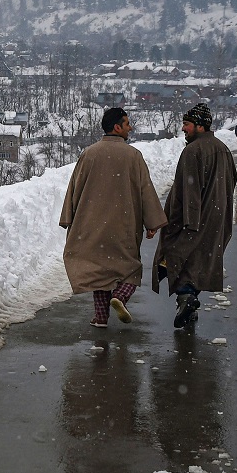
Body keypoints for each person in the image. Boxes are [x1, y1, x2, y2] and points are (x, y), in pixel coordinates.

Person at [60, 107, 167, 328]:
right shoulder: (133, 156)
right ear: (117, 127)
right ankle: (121, 296)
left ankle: (100, 317)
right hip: (124, 224)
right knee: (130, 267)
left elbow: (74, 187)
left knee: (99, 270)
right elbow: (145, 190)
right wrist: (152, 222)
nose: (130, 127)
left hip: (92, 224)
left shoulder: (89, 153)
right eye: (127, 123)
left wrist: (68, 217)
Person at [152, 102, 237, 328]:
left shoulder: (193, 151)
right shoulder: (223, 149)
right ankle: (189, 307)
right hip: (217, 217)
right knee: (200, 261)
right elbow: (233, 181)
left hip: (194, 218)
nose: (183, 128)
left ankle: (186, 297)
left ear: (200, 126)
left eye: (187, 124)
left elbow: (189, 189)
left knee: (177, 256)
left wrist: (188, 221)